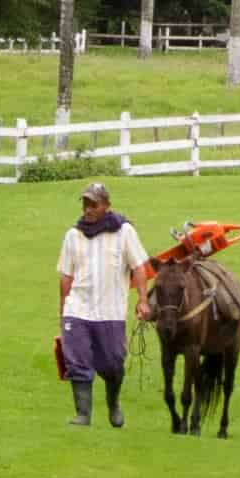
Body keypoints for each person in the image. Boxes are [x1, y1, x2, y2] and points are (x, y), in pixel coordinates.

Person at [58, 182, 152, 428]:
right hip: (77, 309)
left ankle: (113, 403)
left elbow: (139, 268)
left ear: (106, 206)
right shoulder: (72, 235)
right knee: (76, 360)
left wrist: (143, 300)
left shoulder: (124, 232)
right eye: (85, 204)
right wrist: (63, 313)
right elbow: (66, 276)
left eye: (94, 204)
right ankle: (83, 415)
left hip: (110, 312)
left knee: (112, 364)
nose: (88, 209)